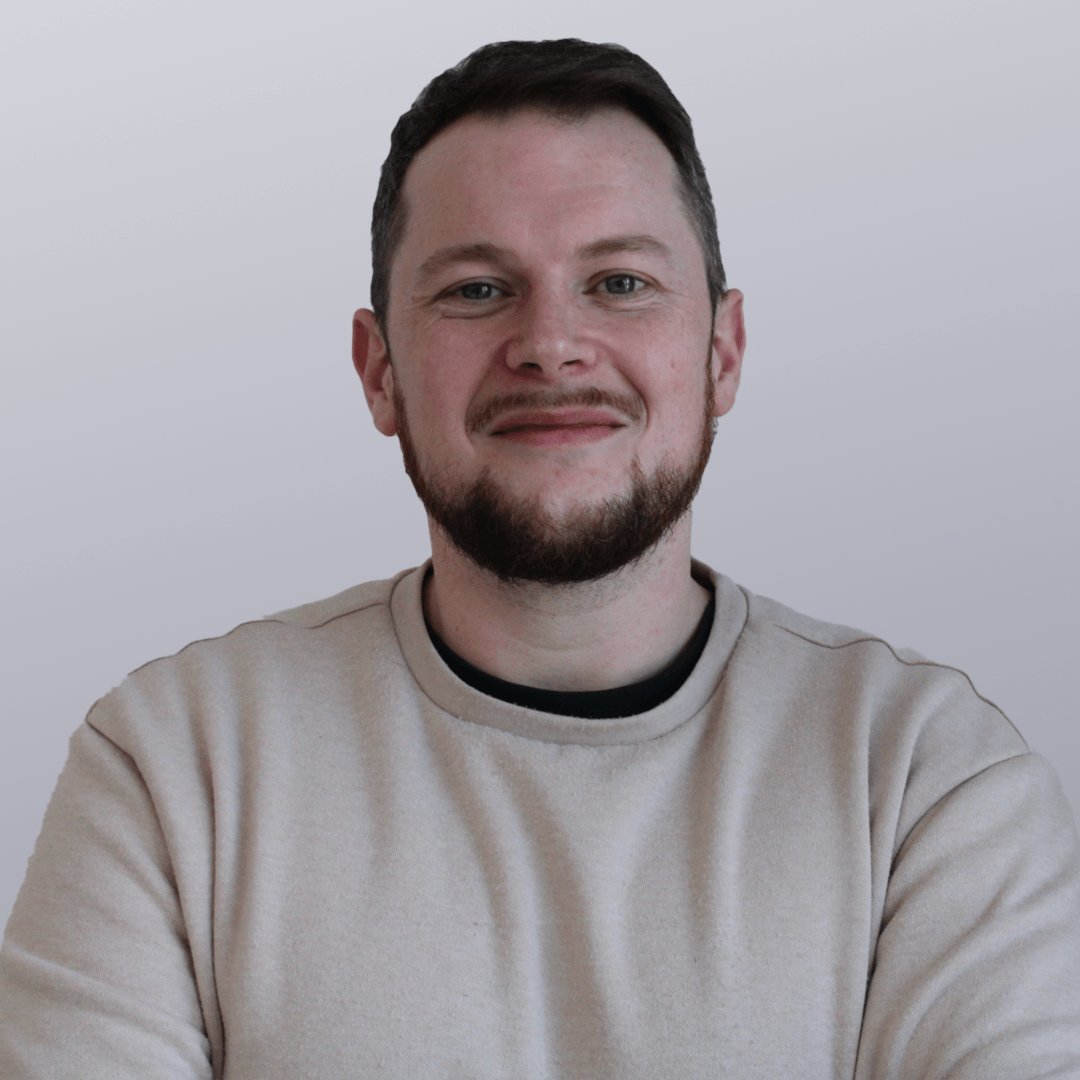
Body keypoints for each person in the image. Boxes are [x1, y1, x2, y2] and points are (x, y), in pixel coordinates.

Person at [1, 37, 1077, 1079]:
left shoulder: (925, 778)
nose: (551, 344)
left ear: (722, 351)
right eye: (477, 289)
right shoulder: (175, 767)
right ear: (379, 371)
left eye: (620, 283)